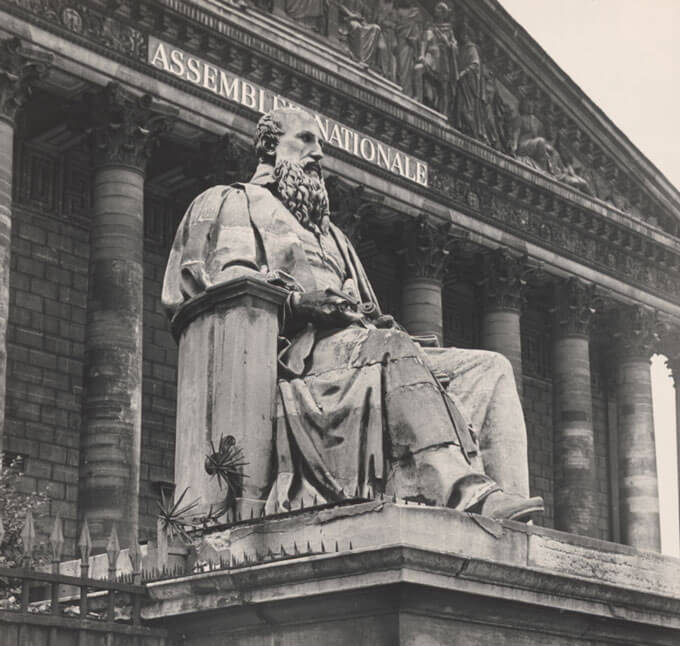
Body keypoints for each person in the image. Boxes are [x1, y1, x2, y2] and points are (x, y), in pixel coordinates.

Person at [162, 107, 542, 521]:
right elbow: (215, 287)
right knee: (389, 347)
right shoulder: (232, 202)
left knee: (490, 368)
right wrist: (297, 303)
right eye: (305, 140)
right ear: (270, 146)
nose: (318, 153)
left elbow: (366, 309)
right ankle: (463, 491)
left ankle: (508, 514)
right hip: (296, 352)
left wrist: (368, 317)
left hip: (358, 346)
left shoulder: (335, 236)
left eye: (320, 144)